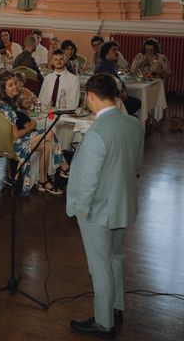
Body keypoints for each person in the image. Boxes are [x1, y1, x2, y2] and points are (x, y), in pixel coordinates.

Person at [67, 73, 144, 339]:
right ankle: (116, 307)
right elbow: (135, 165)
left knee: (99, 267)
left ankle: (103, 323)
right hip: (124, 204)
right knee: (116, 258)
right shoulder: (134, 124)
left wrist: (81, 210)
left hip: (98, 210)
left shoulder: (96, 133)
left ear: (90, 96)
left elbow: (88, 182)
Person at [0, 71, 60, 195]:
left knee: (46, 144)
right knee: (49, 134)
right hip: (12, 145)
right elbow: (16, 135)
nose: (15, 87)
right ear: (3, 88)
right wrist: (32, 126)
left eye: (15, 83)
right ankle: (57, 169)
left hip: (2, 142)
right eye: (10, 85)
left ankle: (43, 181)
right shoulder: (7, 107)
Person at [95, 41, 141, 116]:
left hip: (113, 94)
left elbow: (117, 79)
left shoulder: (109, 63)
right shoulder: (104, 66)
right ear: (106, 51)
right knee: (136, 103)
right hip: (108, 97)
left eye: (117, 50)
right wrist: (119, 94)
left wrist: (123, 90)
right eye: (114, 50)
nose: (117, 52)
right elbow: (106, 85)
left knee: (136, 103)